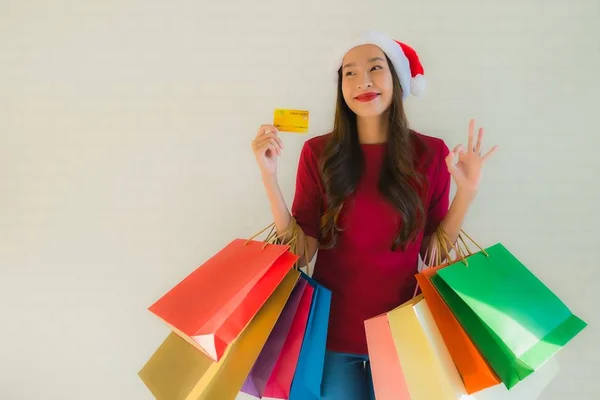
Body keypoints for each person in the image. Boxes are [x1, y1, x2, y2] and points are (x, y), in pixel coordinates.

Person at [250, 30, 498, 400]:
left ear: (397, 81)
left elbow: (433, 255)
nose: (362, 80)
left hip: (406, 334)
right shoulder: (318, 153)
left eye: (375, 68)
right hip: (331, 337)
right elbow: (300, 255)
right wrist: (269, 179)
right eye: (349, 72)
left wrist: (467, 192)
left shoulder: (430, 153)